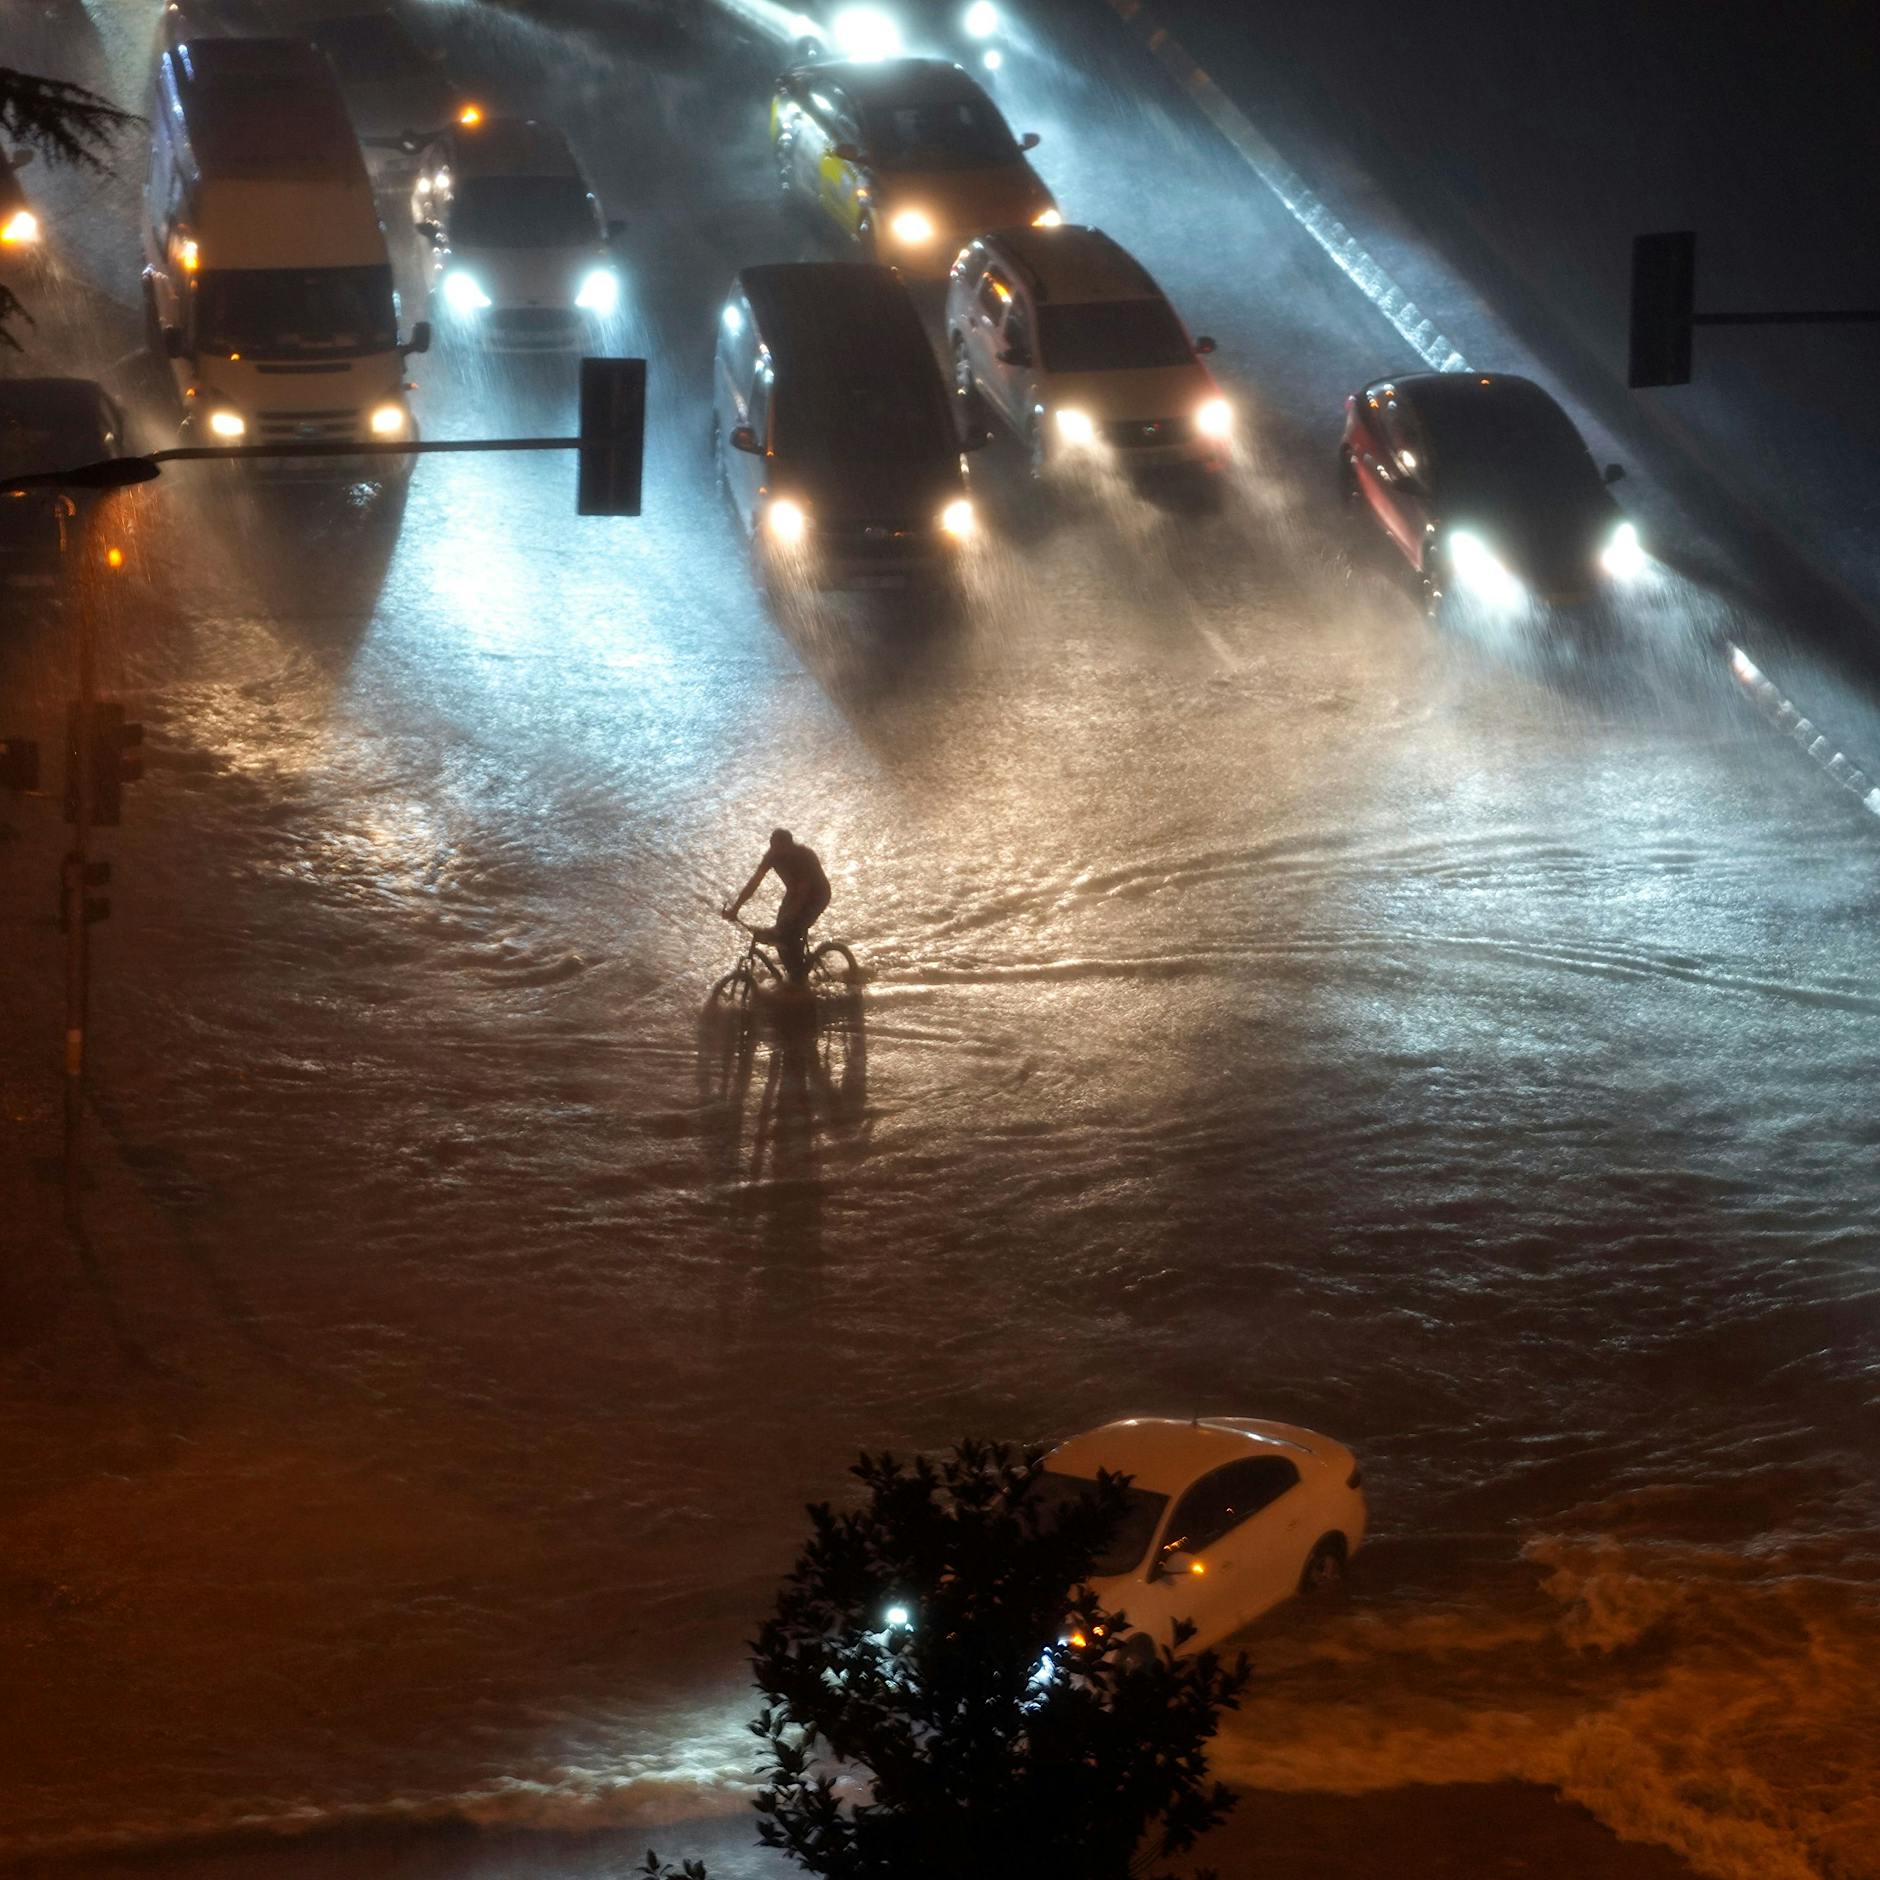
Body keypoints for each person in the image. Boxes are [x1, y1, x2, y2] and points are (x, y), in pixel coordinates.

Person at [725, 828, 831, 985]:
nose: (776, 853)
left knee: (790, 930)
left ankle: (800, 978)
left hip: (817, 896)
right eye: (773, 847)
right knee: (780, 937)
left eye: (780, 849)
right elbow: (754, 883)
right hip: (794, 893)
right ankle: (793, 970)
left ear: (790, 845)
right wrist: (736, 908)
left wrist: (786, 921)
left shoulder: (803, 857)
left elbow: (803, 894)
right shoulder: (771, 855)